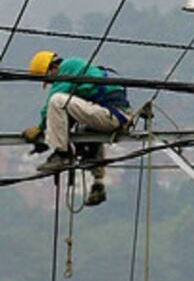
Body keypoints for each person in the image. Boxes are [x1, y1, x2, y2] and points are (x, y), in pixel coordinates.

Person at [21, 51, 132, 206]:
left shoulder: (68, 67)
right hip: (112, 115)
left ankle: (62, 154)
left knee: (57, 100)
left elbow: (55, 99)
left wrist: (40, 127)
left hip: (112, 115)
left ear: (52, 69)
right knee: (85, 132)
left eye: (48, 80)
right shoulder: (78, 76)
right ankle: (98, 184)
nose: (52, 83)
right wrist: (47, 138)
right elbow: (66, 118)